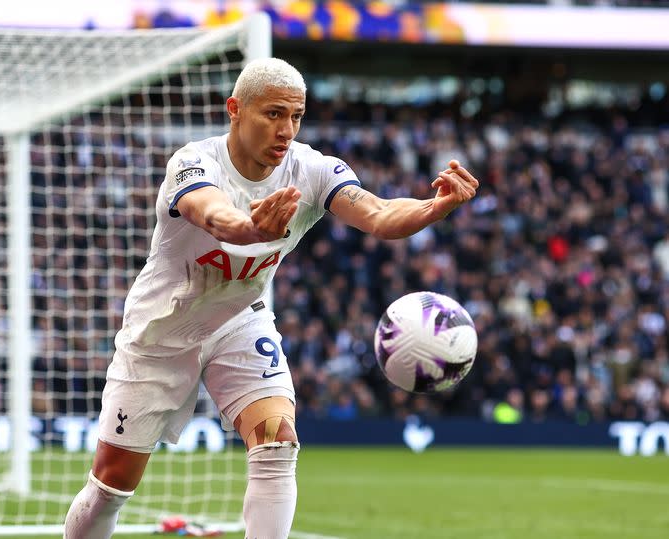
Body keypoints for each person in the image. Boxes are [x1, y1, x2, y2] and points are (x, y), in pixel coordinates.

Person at [63, 57, 479, 539]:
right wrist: (251, 227)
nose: (287, 129)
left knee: (277, 441)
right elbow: (215, 215)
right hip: (162, 330)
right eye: (274, 114)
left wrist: (433, 206)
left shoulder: (313, 169)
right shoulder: (194, 162)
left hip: (241, 319)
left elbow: (380, 213)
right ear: (235, 109)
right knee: (112, 484)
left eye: (296, 116)